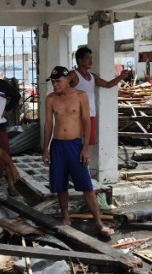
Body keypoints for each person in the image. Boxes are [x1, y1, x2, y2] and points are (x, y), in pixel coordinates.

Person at [42, 66, 114, 238]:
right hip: (57, 145)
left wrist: (85, 148)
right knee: (60, 185)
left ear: (68, 80)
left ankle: (99, 222)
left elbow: (86, 122)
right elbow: (48, 125)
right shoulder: (50, 99)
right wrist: (45, 148)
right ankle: (66, 216)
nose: (54, 85)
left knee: (86, 186)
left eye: (58, 81)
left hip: (75, 145)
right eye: (52, 81)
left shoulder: (80, 96)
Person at [69, 47, 129, 145]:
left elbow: (108, 84)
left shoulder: (92, 76)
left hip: (91, 115)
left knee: (86, 145)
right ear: (80, 60)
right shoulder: (73, 75)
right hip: (76, 116)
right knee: (75, 144)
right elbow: (61, 89)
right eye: (88, 58)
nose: (91, 60)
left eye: (91, 58)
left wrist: (121, 76)